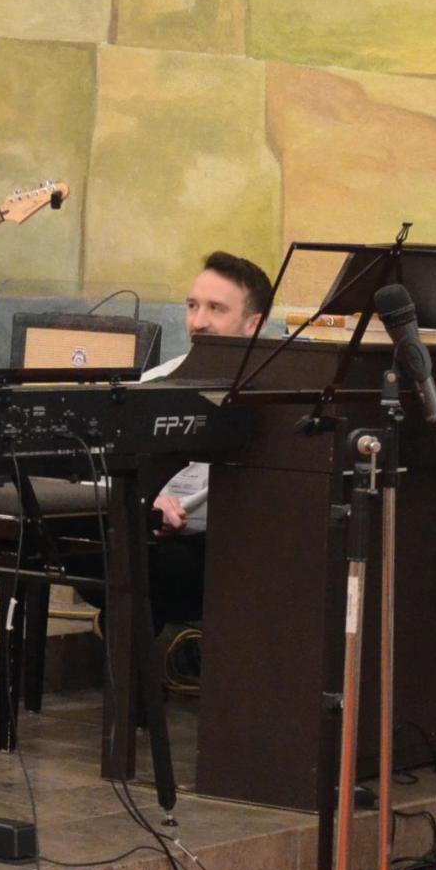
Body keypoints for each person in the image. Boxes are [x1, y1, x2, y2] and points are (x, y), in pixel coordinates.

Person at [140, 251, 272, 630]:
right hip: (157, 540)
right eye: (192, 306)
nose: (198, 322)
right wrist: (147, 500)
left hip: (234, 548)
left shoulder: (272, 392)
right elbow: (106, 473)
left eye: (216, 309)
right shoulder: (157, 381)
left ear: (254, 324)